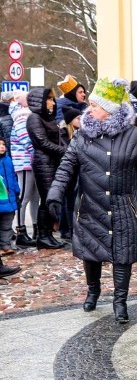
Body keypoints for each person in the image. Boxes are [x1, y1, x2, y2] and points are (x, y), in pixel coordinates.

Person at [47, 79, 137, 323]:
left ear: (111, 108)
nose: (89, 109)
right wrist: (55, 192)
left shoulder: (135, 135)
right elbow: (66, 168)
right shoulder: (82, 136)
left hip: (124, 206)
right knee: (91, 253)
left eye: (94, 105)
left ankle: (120, 301)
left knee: (122, 256)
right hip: (90, 206)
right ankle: (93, 291)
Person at [26, 86, 66, 249]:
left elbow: (56, 139)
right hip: (43, 163)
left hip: (52, 161)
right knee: (48, 199)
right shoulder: (34, 118)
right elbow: (41, 142)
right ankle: (43, 235)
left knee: (50, 199)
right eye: (49, 99)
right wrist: (64, 150)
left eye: (52, 99)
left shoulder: (48, 118)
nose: (52, 102)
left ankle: (47, 234)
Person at [9, 91, 37, 247]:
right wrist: (36, 152)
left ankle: (36, 227)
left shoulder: (26, 115)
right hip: (25, 161)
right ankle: (21, 231)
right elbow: (25, 138)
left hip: (30, 161)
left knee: (34, 198)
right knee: (24, 197)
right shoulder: (21, 116)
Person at [58, 107, 82, 240]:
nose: (81, 121)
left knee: (72, 201)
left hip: (77, 171)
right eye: (78, 118)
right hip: (67, 172)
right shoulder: (62, 135)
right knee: (69, 202)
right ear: (70, 121)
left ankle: (68, 228)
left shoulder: (80, 134)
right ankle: (67, 229)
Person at [0, 138, 20, 256]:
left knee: (7, 224)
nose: (2, 147)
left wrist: (16, 191)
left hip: (10, 198)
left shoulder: (8, 160)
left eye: (3, 144)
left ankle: (6, 245)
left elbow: (13, 177)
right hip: (1, 198)